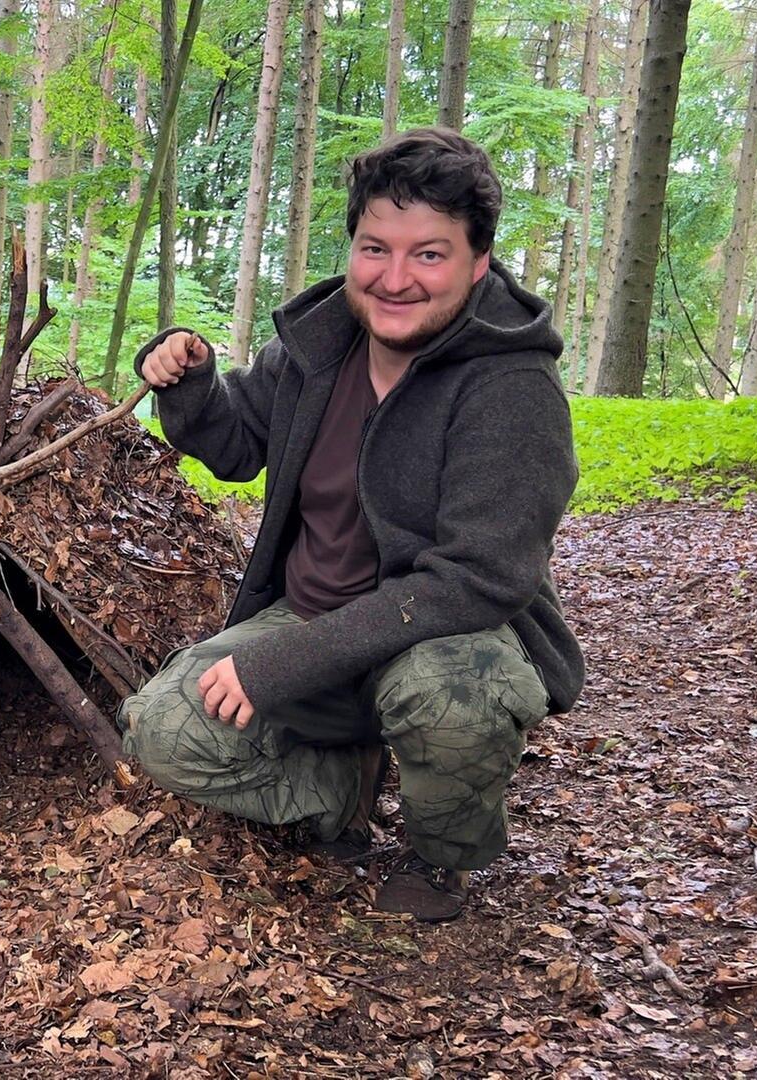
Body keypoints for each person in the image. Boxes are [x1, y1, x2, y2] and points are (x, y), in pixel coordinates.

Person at [120, 128, 583, 922]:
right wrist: (189, 383)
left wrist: (282, 664)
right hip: (311, 615)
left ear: (478, 263)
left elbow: (478, 580)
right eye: (376, 248)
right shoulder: (319, 346)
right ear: (353, 248)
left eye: (429, 255)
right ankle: (342, 792)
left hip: (442, 635)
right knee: (158, 731)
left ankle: (442, 857)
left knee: (452, 700)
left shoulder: (513, 387)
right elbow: (234, 446)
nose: (395, 279)